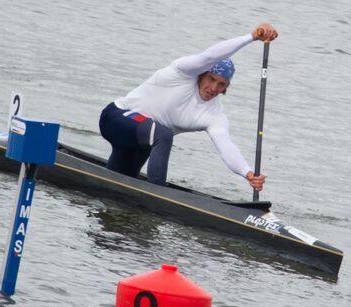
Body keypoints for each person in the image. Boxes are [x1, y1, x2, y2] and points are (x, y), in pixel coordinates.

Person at [98, 23, 278, 192]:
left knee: (114, 185)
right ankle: (158, 197)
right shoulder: (182, 72)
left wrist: (248, 173)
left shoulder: (214, 115)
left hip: (142, 142)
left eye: (221, 84)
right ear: (202, 75)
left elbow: (226, 146)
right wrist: (251, 37)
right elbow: (210, 56)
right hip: (116, 118)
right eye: (212, 79)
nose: (214, 88)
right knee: (163, 134)